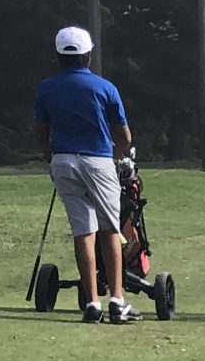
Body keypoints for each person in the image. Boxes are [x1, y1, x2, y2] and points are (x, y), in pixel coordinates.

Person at [33, 26, 134, 324]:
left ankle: (92, 304)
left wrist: (50, 157)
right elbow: (125, 137)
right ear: (88, 54)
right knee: (109, 229)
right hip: (98, 160)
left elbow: (41, 131)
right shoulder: (105, 87)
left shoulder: (46, 88)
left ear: (59, 56)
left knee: (83, 232)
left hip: (63, 161)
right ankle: (117, 301)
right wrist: (115, 156)